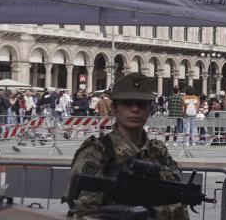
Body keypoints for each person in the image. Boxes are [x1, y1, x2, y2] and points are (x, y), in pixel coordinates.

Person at [67, 72, 187, 219]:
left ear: (150, 109)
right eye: (127, 103)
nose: (135, 109)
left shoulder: (159, 153)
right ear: (114, 108)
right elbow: (82, 211)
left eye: (141, 104)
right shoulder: (96, 152)